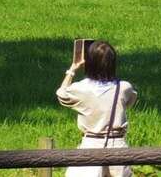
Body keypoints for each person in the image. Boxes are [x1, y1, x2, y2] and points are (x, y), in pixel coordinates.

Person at [57, 40, 138, 177]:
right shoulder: (124, 87)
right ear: (113, 63)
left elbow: (61, 94)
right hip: (118, 145)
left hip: (91, 144)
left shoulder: (81, 89)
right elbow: (130, 101)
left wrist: (72, 69)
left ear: (90, 62)